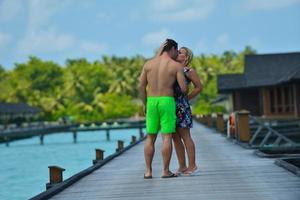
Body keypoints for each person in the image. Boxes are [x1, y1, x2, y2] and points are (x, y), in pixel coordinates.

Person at [139, 39, 187, 179]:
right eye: (176, 51)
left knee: (150, 137)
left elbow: (141, 86)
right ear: (172, 49)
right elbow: (183, 89)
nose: (177, 54)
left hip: (151, 102)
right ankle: (165, 171)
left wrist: (145, 103)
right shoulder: (175, 66)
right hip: (167, 101)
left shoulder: (148, 64)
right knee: (167, 137)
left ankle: (148, 171)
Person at [172, 47, 202, 175]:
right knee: (175, 137)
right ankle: (182, 166)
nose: (177, 53)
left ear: (186, 57)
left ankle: (192, 165)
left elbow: (199, 87)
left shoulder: (189, 71)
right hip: (170, 106)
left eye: (180, 52)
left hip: (182, 106)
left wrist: (186, 98)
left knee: (185, 136)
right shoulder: (172, 69)